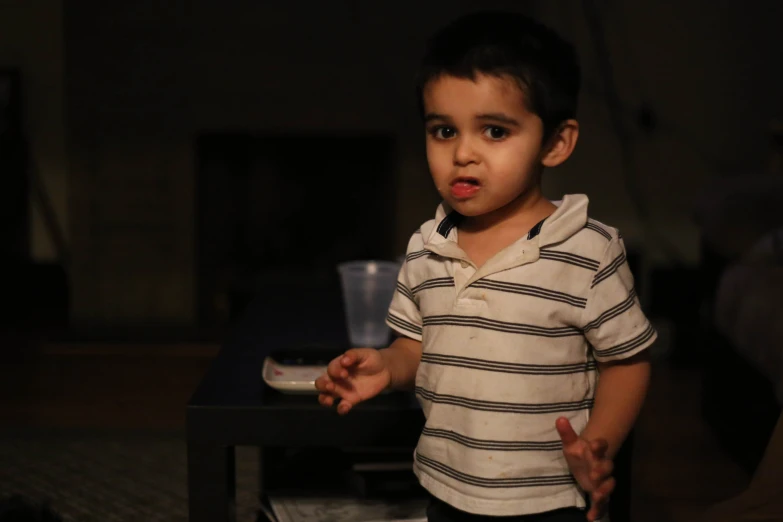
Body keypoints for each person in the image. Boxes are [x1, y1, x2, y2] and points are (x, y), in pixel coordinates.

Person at [316, 10, 655, 522]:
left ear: (556, 142)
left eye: (495, 131)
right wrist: (387, 367)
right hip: (447, 485)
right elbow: (417, 348)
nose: (464, 153)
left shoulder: (589, 251)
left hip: (550, 497)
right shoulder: (427, 245)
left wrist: (598, 444)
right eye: (444, 130)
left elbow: (626, 362)